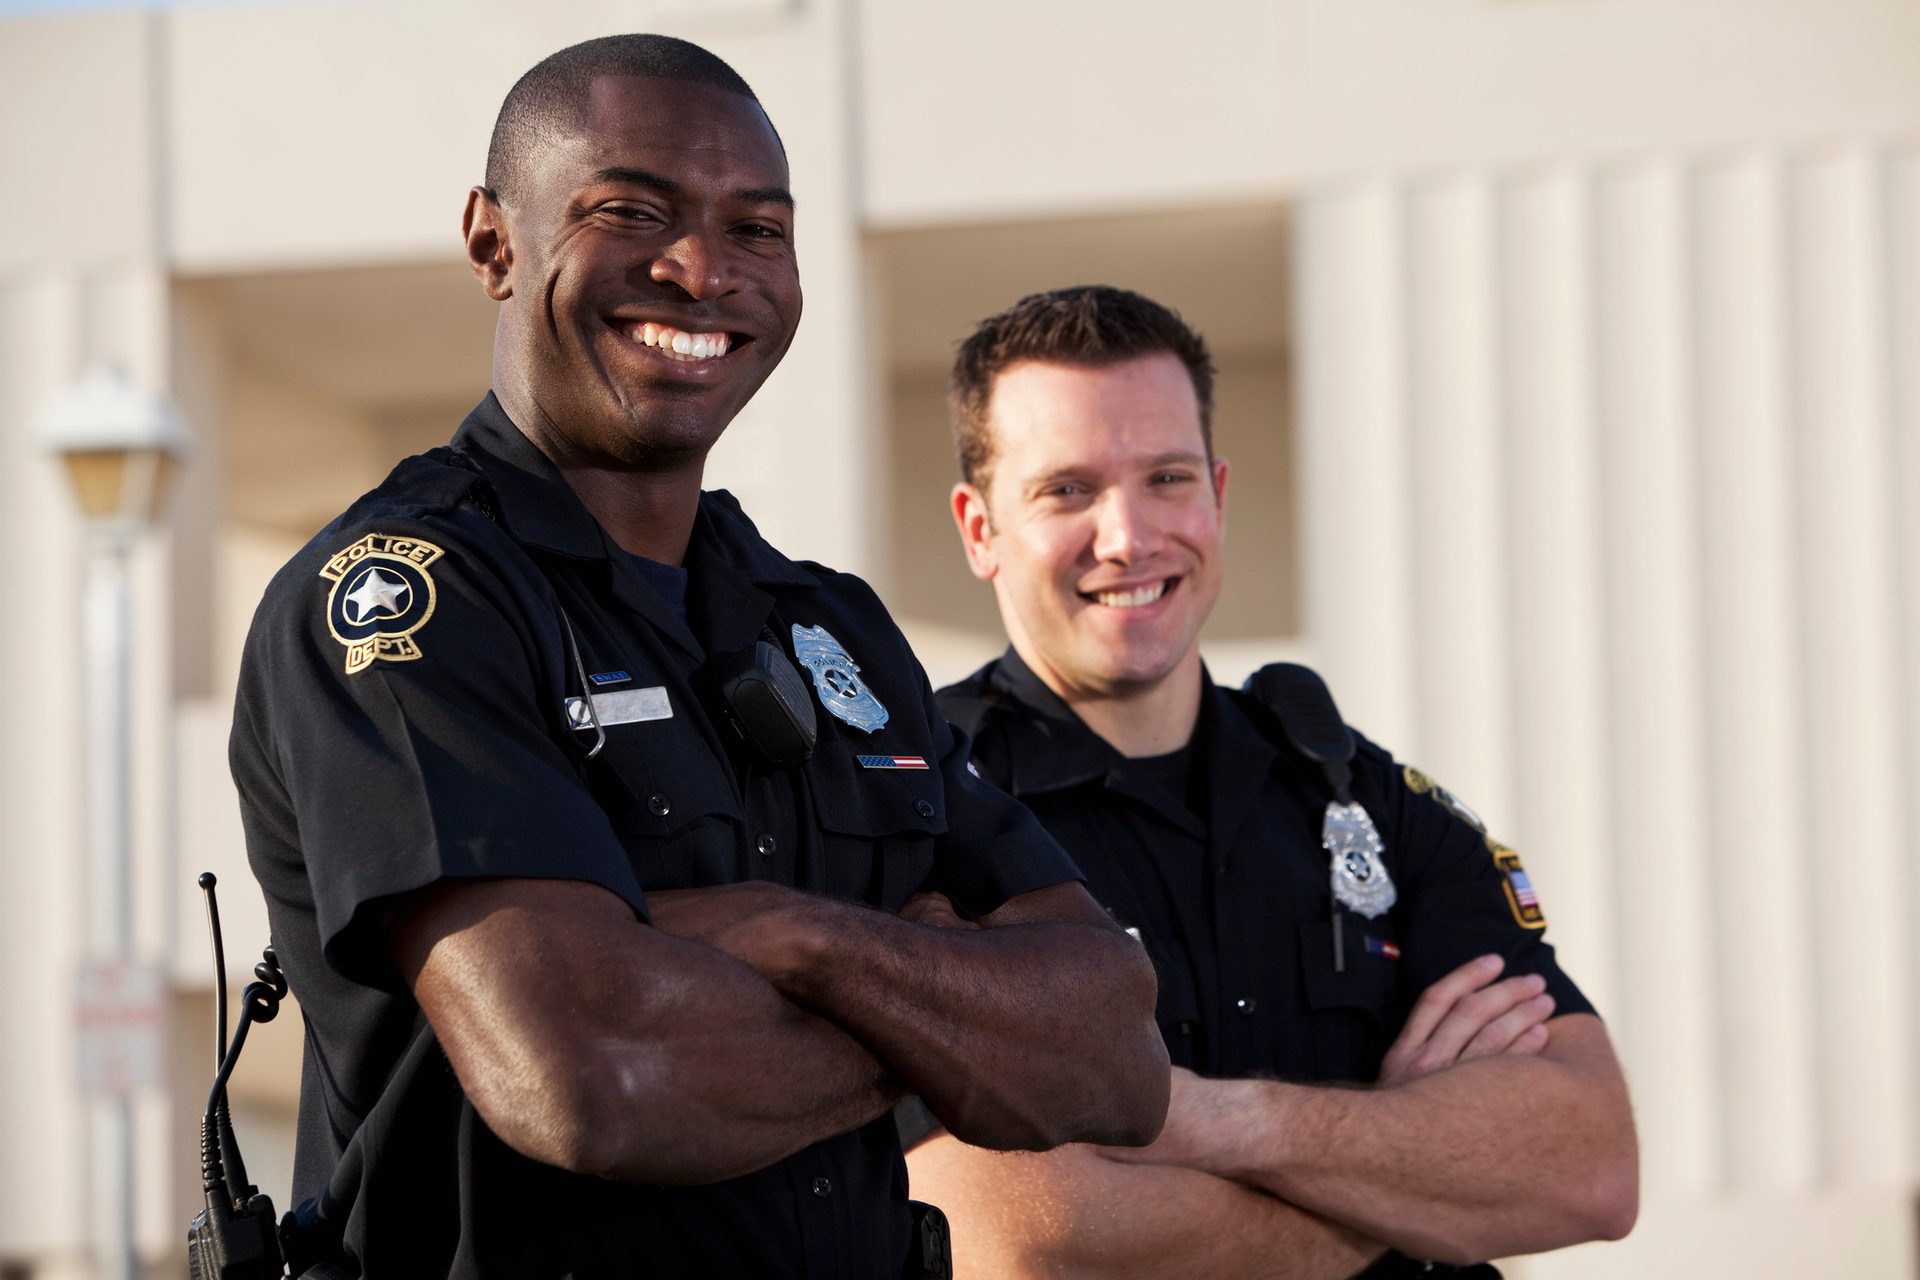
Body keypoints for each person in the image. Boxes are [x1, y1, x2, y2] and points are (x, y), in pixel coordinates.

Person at [229, 42, 1168, 1280]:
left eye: (758, 229)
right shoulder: (410, 605)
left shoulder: (830, 627)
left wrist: (799, 938)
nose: (703, 268)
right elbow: (592, 1078)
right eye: (631, 211)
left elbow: (1113, 1053)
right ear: (493, 243)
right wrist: (956, 1021)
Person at [905, 285, 1638, 1279]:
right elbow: (1017, 1235)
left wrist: (1217, 1121)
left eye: (1166, 477)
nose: (1127, 536)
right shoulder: (914, 819)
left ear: (1216, 493)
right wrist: (1415, 1174)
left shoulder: (1362, 797)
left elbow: (1591, 1164)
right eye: (1067, 490)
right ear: (980, 528)